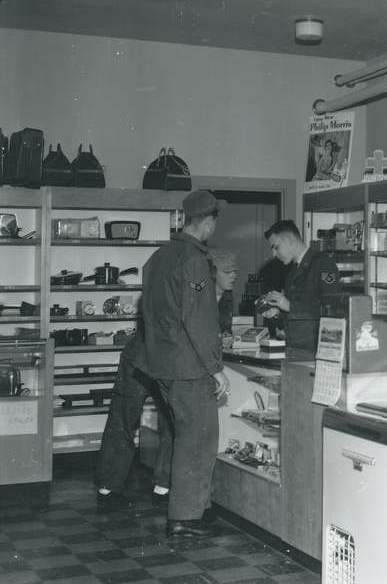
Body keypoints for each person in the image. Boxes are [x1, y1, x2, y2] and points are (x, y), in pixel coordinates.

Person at [130, 189, 229, 540]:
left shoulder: (158, 257)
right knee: (199, 439)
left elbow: (154, 314)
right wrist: (216, 366)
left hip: (161, 365)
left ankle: (195, 508)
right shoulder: (194, 260)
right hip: (188, 367)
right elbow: (199, 320)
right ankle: (186, 517)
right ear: (208, 222)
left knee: (185, 435)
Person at [93, 327, 173, 508]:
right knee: (170, 422)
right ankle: (163, 487)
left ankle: (108, 488)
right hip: (161, 355)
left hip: (142, 354)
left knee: (123, 420)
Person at [260, 219, 342, 352]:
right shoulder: (293, 270)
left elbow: (333, 311)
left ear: (289, 240)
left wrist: (289, 306)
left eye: (276, 247)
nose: (274, 254)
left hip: (315, 349)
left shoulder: (323, 264)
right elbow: (300, 311)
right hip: (296, 348)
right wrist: (278, 312)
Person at [207, 248, 238, 335]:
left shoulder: (227, 295)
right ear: (212, 273)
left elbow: (225, 329)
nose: (234, 276)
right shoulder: (201, 297)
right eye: (227, 272)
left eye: (235, 271)